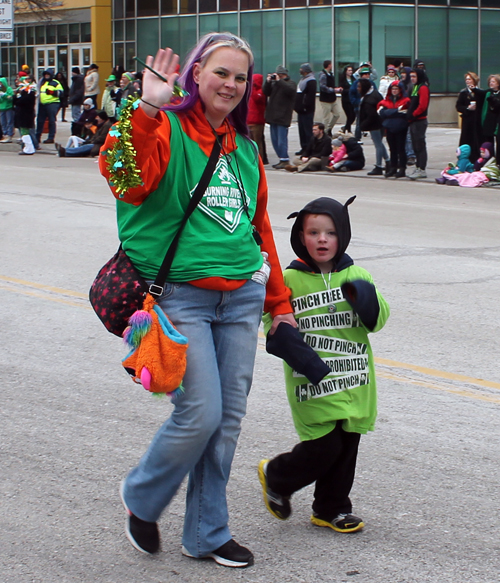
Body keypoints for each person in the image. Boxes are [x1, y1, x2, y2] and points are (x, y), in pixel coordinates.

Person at [99, 34, 294, 568]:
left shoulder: (246, 150)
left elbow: (260, 233)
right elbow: (124, 179)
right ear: (195, 75)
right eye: (220, 73)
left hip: (241, 301)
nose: (230, 85)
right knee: (201, 413)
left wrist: (279, 302)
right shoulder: (164, 129)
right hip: (181, 297)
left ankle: (207, 533)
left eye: (240, 78)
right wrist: (142, 111)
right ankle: (142, 496)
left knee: (227, 421)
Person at [258, 196, 389, 534]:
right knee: (324, 445)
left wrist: (367, 300)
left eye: (329, 233)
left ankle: (331, 508)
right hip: (312, 379)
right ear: (301, 236)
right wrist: (285, 339)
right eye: (313, 232)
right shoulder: (289, 279)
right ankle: (278, 476)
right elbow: (271, 319)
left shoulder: (356, 273)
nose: (321, 239)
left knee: (346, 445)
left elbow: (378, 320)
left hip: (355, 377)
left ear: (341, 235)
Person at [263, 65, 296, 169]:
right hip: (273, 116)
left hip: (283, 116)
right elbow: (266, 92)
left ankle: (285, 159)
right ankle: (281, 158)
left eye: (279, 75)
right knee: (274, 140)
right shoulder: (275, 84)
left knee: (282, 140)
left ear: (283, 75)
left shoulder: (290, 83)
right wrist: (268, 82)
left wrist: (279, 81)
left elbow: (290, 90)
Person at [378, 80, 410, 178]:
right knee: (392, 149)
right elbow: (381, 113)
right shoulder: (384, 101)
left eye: (396, 89)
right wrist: (397, 111)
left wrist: (389, 112)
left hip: (401, 128)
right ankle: (393, 168)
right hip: (389, 129)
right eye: (393, 89)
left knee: (401, 149)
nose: (394, 91)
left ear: (400, 90)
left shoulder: (406, 101)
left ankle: (402, 169)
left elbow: (405, 112)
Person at [357, 78, 389, 176]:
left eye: (359, 87)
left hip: (375, 124)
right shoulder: (375, 94)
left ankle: (378, 166)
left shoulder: (369, 100)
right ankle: (388, 161)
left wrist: (362, 125)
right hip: (380, 122)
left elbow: (371, 115)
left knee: (378, 145)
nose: (357, 89)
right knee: (379, 143)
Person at [407, 68, 430, 180]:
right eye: (411, 76)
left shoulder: (423, 88)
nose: (412, 79)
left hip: (419, 120)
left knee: (420, 145)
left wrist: (413, 114)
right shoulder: (415, 87)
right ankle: (418, 166)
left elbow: (422, 105)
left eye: (414, 76)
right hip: (414, 120)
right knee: (415, 145)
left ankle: (422, 168)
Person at [456, 72, 482, 162]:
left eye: (469, 79)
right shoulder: (463, 93)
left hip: (478, 120)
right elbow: (458, 106)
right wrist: (467, 108)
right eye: (466, 79)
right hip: (467, 120)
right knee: (466, 139)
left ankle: (477, 158)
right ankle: (465, 158)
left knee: (477, 139)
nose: (467, 81)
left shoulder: (480, 92)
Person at [35, 70, 64, 144]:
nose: (46, 76)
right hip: (42, 104)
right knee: (40, 121)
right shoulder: (42, 82)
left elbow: (61, 93)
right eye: (45, 75)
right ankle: (37, 137)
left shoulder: (55, 82)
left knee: (51, 121)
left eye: (48, 75)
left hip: (52, 103)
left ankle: (51, 138)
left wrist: (52, 92)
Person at [294, 63, 317, 155]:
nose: (300, 70)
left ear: (306, 70)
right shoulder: (303, 80)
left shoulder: (311, 81)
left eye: (301, 69)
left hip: (306, 110)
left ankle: (309, 149)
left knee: (307, 130)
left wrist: (305, 106)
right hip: (300, 110)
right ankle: (303, 147)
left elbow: (310, 97)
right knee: (302, 130)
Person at [14, 74, 38, 155]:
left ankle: (29, 148)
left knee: (25, 133)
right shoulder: (29, 96)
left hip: (25, 116)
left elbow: (18, 102)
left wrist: (16, 96)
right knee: (25, 132)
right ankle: (27, 148)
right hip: (25, 116)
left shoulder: (27, 96)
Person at [349, 67, 375, 141]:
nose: (367, 75)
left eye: (368, 74)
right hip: (359, 106)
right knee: (359, 122)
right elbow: (351, 93)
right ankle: (357, 137)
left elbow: (375, 93)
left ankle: (374, 136)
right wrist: (356, 102)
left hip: (369, 106)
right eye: (365, 74)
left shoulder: (371, 83)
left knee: (372, 121)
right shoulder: (356, 83)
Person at [247, 73, 268, 164]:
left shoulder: (261, 92)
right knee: (251, 142)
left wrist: (253, 87)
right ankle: (253, 158)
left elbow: (257, 98)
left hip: (257, 121)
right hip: (249, 120)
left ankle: (260, 159)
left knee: (257, 141)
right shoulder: (250, 91)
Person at [478, 74, 500, 159]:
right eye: (490, 81)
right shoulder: (487, 93)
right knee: (488, 142)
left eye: (493, 81)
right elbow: (479, 93)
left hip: (497, 120)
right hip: (489, 121)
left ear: (498, 83)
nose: (491, 83)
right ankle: (489, 159)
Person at [318, 60, 341, 136]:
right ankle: (324, 133)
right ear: (328, 65)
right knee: (326, 117)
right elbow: (322, 87)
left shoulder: (331, 74)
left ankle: (329, 128)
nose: (332, 66)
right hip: (325, 100)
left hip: (332, 99)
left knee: (337, 114)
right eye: (331, 64)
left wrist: (336, 89)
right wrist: (333, 90)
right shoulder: (323, 75)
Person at [339, 65, 356, 133]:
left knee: (353, 115)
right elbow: (342, 90)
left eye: (351, 70)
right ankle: (348, 130)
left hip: (352, 100)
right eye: (349, 70)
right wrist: (350, 90)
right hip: (345, 100)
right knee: (349, 115)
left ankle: (345, 127)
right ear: (345, 71)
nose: (350, 72)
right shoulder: (342, 79)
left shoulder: (353, 78)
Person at [0, 76, 14, 143]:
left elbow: (10, 98)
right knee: (3, 122)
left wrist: (4, 95)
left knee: (9, 122)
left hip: (8, 107)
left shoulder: (9, 89)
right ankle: (5, 134)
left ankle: (9, 135)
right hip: (1, 108)